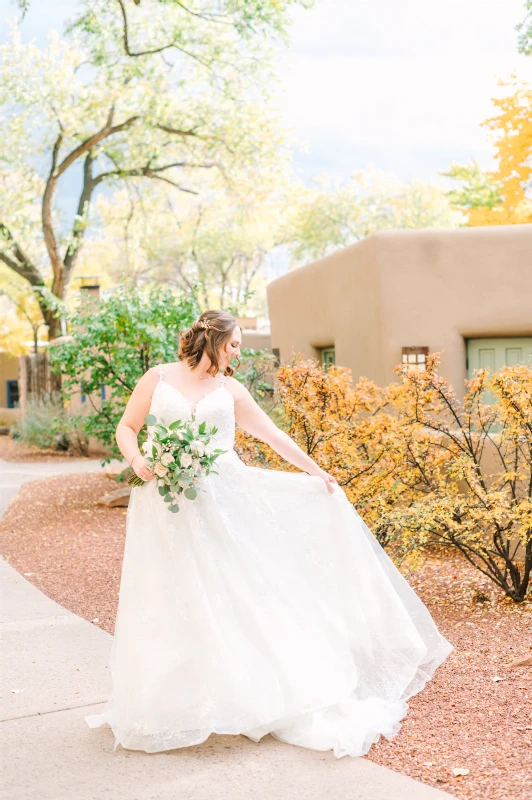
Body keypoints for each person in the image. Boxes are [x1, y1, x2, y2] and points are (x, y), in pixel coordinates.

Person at [85, 309, 454, 758]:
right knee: (169, 596)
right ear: (212, 338)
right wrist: (139, 461)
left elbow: (273, 434)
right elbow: (127, 428)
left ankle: (249, 692)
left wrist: (318, 472)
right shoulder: (157, 378)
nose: (238, 352)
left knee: (235, 593)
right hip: (164, 504)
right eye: (234, 343)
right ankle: (172, 700)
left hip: (223, 501)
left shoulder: (231, 390)